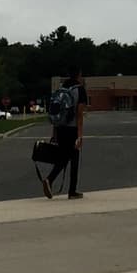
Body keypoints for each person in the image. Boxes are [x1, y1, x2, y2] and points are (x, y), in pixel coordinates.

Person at [42, 69, 88, 199]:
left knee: (63, 157)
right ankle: (70, 190)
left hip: (60, 128)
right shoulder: (80, 90)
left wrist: (54, 133)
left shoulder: (62, 88)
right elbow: (79, 115)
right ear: (79, 75)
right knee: (74, 159)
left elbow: (56, 112)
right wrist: (79, 136)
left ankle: (50, 180)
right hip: (72, 129)